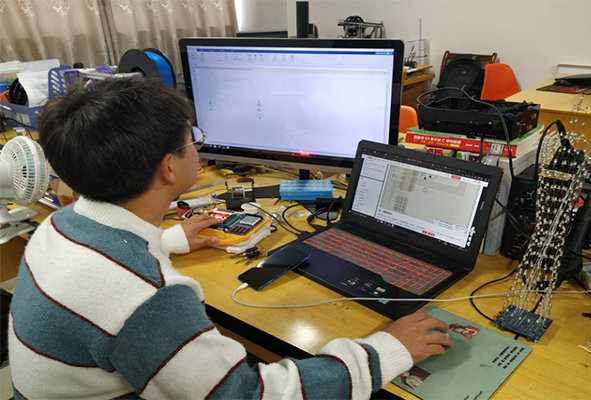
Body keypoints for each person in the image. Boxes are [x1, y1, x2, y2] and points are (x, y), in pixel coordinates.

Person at [9, 78, 452, 399]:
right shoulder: (148, 299)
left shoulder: (60, 225)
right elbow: (244, 394)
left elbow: (104, 281)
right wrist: (385, 351)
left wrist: (168, 241)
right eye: (192, 140)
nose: (198, 148)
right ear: (169, 167)